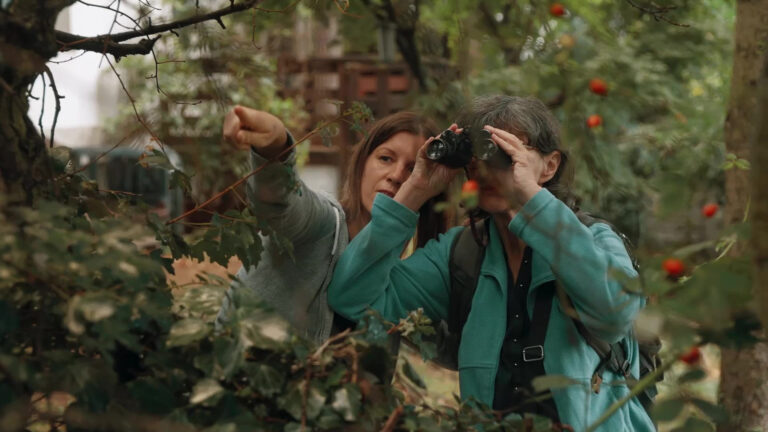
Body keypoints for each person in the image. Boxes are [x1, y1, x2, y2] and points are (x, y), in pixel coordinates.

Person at [327, 95, 655, 431]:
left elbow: (615, 316)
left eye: (507, 152)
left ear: (550, 165)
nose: (489, 169)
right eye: (479, 156)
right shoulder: (462, 252)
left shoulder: (595, 239)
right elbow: (353, 298)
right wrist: (415, 190)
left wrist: (530, 197)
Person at [215, 106, 443, 344]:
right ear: (362, 164)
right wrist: (275, 149)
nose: (396, 175)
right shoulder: (323, 223)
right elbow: (282, 205)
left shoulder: (400, 273)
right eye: (386, 158)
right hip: (241, 375)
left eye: (413, 168)